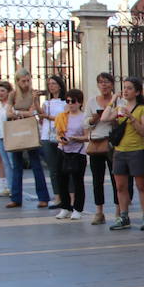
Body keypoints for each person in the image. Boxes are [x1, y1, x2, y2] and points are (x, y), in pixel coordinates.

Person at [108, 77, 144, 230]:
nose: (125, 91)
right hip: (120, 151)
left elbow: (143, 131)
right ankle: (123, 215)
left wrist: (132, 118)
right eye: (124, 88)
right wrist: (113, 100)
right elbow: (104, 118)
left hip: (137, 150)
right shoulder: (120, 107)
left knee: (141, 185)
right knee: (120, 186)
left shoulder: (143, 109)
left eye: (129, 88)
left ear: (137, 92)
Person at [6, 70, 51, 209]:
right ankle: (16, 198)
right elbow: (8, 112)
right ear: (17, 81)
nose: (26, 83)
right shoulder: (13, 94)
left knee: (36, 164)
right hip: (17, 131)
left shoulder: (33, 93)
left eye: (28, 80)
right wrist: (23, 113)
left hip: (30, 130)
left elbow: (34, 111)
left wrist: (18, 112)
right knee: (17, 165)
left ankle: (43, 197)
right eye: (23, 81)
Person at [53, 89, 89, 220]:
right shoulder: (62, 116)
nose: (70, 104)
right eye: (68, 101)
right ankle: (65, 207)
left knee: (77, 181)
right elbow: (58, 133)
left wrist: (75, 138)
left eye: (73, 101)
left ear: (79, 102)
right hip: (63, 150)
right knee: (61, 179)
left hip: (78, 152)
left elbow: (87, 136)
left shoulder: (84, 116)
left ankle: (78, 208)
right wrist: (60, 139)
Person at [86, 73, 116, 224]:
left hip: (113, 142)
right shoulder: (92, 101)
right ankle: (99, 211)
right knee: (97, 179)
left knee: (116, 178)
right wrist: (93, 119)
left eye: (106, 82)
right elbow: (84, 124)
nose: (104, 85)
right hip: (97, 142)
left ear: (112, 84)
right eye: (100, 82)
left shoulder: (118, 101)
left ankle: (119, 210)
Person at [40, 74, 69, 208]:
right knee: (53, 169)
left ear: (60, 85)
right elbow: (41, 116)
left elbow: (64, 118)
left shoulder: (65, 102)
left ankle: (68, 196)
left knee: (65, 167)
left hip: (60, 136)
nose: (51, 86)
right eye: (49, 84)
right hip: (47, 136)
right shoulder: (46, 103)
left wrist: (48, 117)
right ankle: (57, 196)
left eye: (54, 83)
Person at [0, 80, 13, 196]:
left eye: (3, 91)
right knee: (6, 163)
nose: (0, 93)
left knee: (12, 162)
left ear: (8, 92)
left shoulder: (10, 105)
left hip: (9, 135)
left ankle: (14, 187)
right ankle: (9, 187)